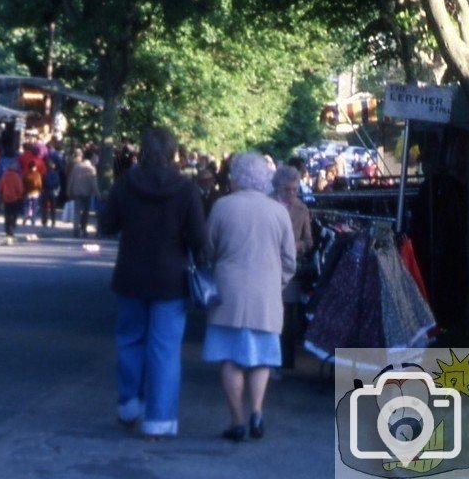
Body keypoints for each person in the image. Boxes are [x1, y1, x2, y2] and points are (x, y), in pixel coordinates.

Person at [98, 127, 208, 439]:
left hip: (130, 275)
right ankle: (159, 419)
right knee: (165, 349)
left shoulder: (124, 184)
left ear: (141, 151)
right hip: (170, 280)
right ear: (173, 153)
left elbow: (107, 226)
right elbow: (198, 239)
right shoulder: (186, 190)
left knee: (130, 340)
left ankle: (129, 403)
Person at [203, 152, 296, 441]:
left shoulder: (222, 207)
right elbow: (290, 260)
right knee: (261, 358)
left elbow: (208, 249)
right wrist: (276, 282)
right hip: (265, 296)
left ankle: (237, 421)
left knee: (230, 359)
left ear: (236, 178)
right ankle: (257, 411)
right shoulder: (279, 211)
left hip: (228, 294)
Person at [271, 165, 314, 370]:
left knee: (289, 316)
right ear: (278, 187)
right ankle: (271, 359)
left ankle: (286, 361)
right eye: (287, 189)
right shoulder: (266, 204)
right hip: (268, 266)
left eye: (295, 189)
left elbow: (309, 241)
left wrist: (297, 246)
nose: (291, 194)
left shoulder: (302, 209)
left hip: (290, 269)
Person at [66, 149, 100, 237]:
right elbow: (94, 184)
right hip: (87, 193)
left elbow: (71, 179)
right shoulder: (92, 169)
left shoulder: (76, 167)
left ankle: (76, 230)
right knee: (85, 212)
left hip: (77, 191)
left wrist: (69, 190)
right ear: (91, 158)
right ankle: (83, 229)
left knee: (76, 212)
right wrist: (97, 194)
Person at [0, 162, 24, 237]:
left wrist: (1, 193)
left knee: (7, 214)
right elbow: (19, 188)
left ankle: (7, 228)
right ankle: (11, 228)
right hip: (15, 198)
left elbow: (0, 186)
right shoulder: (16, 176)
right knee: (14, 214)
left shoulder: (4, 176)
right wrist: (19, 195)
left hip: (6, 197)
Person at [41, 159, 61, 227]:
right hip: (53, 191)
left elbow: (42, 183)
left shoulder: (44, 174)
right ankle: (53, 221)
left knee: (45, 207)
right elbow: (57, 183)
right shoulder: (56, 174)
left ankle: (44, 221)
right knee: (53, 208)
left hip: (46, 191)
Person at [22, 160, 43, 225]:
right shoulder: (37, 174)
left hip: (27, 192)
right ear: (35, 167)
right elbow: (39, 184)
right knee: (34, 207)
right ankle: (33, 220)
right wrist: (40, 191)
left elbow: (23, 183)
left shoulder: (26, 174)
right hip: (35, 193)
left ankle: (25, 216)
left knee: (26, 206)